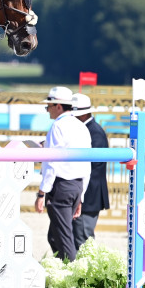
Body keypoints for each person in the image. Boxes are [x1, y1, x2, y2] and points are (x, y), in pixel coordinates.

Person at [34, 86, 91, 261]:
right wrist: (81, 195)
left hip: (61, 187)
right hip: (77, 185)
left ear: (59, 106)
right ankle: (61, 272)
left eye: (49, 106)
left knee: (64, 239)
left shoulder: (58, 126)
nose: (47, 110)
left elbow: (52, 162)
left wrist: (42, 192)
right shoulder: (81, 127)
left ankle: (73, 279)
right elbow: (87, 164)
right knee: (55, 236)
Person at [71, 93, 110, 251]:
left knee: (84, 235)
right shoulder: (87, 129)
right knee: (79, 234)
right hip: (86, 191)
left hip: (91, 193)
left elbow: (94, 164)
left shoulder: (95, 133)